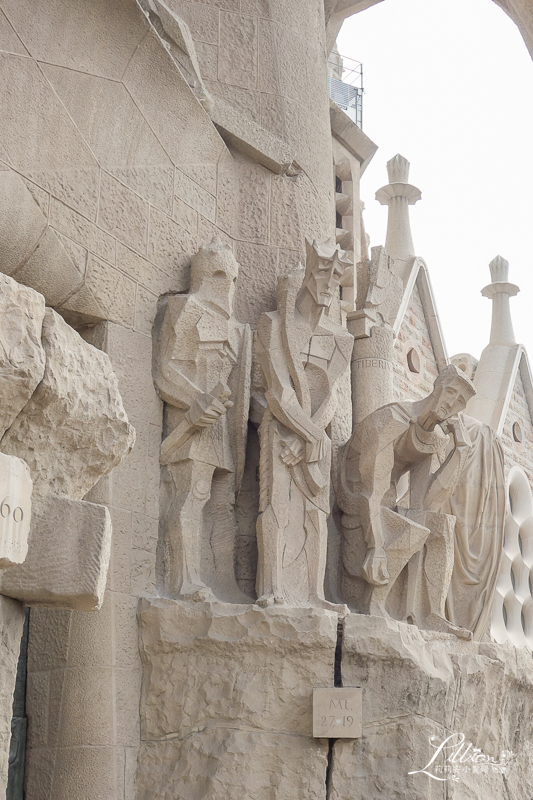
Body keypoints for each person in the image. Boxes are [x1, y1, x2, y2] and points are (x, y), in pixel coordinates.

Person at [339, 364, 477, 637]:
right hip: (354, 494)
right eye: (450, 392)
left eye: (460, 402)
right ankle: (374, 605)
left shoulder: (433, 439)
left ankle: (431, 615)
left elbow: (427, 503)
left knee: (440, 526)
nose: (451, 404)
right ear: (436, 386)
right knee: (411, 529)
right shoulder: (394, 418)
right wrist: (375, 546)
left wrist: (460, 450)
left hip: (383, 497)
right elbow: (371, 490)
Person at [255, 238, 353, 609]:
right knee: (276, 506)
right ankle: (272, 587)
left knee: (316, 513)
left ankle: (314, 594)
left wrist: (312, 438)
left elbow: (332, 397)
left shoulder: (341, 339)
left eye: (337, 279)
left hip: (314, 438)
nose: (330, 285)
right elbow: (279, 392)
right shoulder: (274, 324)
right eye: (325, 274)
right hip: (282, 430)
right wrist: (305, 436)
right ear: (309, 275)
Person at [153, 237, 251, 601]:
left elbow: (238, 386)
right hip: (193, 422)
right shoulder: (187, 308)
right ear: (205, 273)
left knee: (222, 502)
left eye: (232, 276)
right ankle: (185, 579)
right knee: (191, 494)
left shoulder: (238, 330)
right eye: (219, 273)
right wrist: (196, 400)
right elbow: (167, 368)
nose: (226, 283)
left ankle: (223, 581)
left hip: (222, 427)